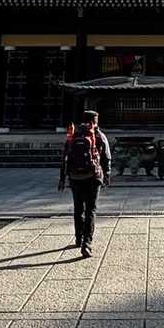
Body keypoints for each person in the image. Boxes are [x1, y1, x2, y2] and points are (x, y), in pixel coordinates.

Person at [59, 109, 113, 257]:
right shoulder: (99, 135)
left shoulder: (73, 134)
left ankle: (78, 238)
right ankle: (86, 244)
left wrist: (62, 178)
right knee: (90, 210)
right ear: (94, 120)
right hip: (93, 177)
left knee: (78, 208)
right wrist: (107, 175)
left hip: (75, 177)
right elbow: (107, 157)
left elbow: (65, 157)